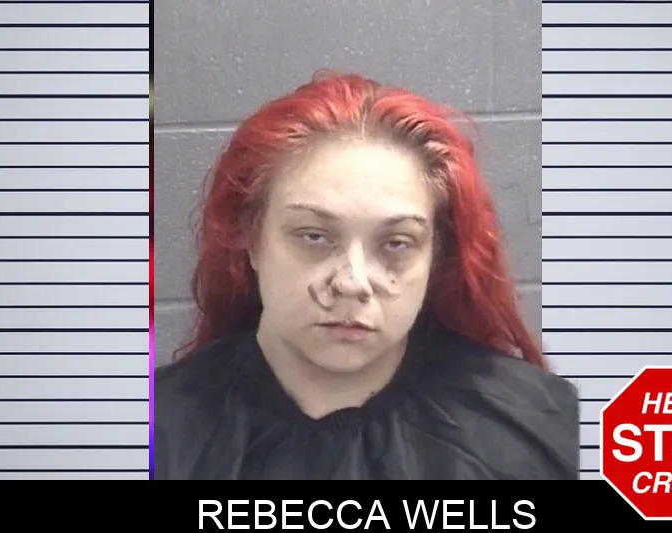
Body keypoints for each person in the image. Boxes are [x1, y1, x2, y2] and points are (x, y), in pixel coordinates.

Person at [154, 71, 579, 480]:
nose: (352, 283)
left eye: (396, 243)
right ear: (250, 236)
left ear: (436, 254)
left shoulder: (541, 429)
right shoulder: (158, 429)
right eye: (314, 236)